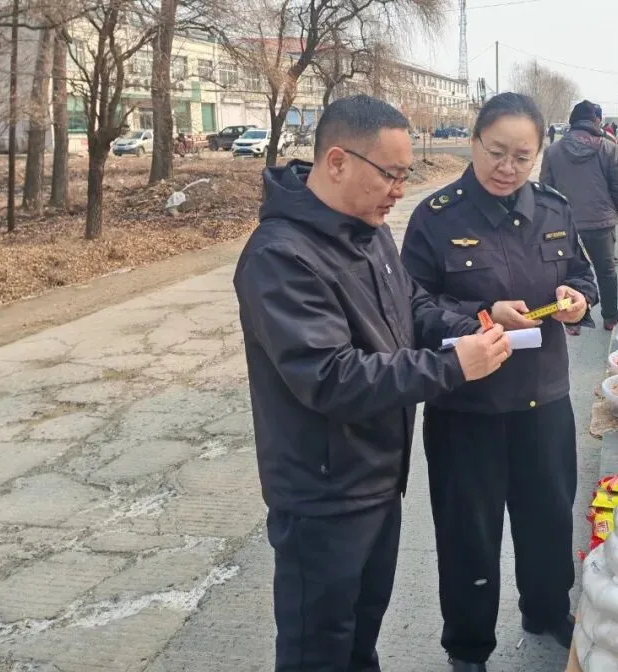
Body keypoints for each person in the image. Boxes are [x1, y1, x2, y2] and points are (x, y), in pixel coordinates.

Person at [234, 94, 512, 672]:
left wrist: (471, 328)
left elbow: (411, 307)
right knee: (319, 648)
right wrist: (452, 366)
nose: (398, 191)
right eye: (390, 174)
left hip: (378, 477)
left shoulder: (371, 232)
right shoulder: (281, 256)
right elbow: (331, 377)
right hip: (323, 494)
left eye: (405, 176)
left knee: (361, 636)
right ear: (337, 162)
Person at [401, 92, 599, 672]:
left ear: (539, 155)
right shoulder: (436, 217)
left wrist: (578, 298)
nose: (507, 168)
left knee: (548, 518)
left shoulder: (555, 210)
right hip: (467, 408)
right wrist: (482, 315)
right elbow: (411, 306)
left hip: (545, 400)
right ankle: (468, 647)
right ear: (473, 142)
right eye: (496, 152)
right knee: (469, 534)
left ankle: (546, 609)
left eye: (522, 156)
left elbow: (583, 272)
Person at [540, 98, 618, 332]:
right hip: (600, 221)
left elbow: (545, 188)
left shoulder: (553, 151)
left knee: (568, 272)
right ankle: (610, 317)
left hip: (563, 223)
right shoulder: (608, 147)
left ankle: (572, 322)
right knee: (606, 271)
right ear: (595, 121)